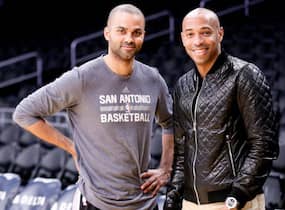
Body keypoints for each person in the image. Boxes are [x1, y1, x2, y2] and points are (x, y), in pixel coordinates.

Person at [13, 4, 174, 210]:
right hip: (96, 202)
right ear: (107, 33)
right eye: (121, 31)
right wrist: (72, 148)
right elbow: (24, 113)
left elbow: (170, 123)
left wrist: (165, 168)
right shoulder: (81, 78)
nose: (129, 39)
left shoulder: (153, 79)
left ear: (143, 35)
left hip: (144, 202)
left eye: (137, 33)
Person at [164, 7, 279, 210]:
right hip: (191, 202)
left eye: (205, 32)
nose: (198, 41)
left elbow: (264, 145)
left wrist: (238, 196)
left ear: (220, 33)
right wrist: (173, 196)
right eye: (190, 34)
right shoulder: (182, 85)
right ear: (183, 39)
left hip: (232, 202)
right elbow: (182, 151)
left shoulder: (245, 74)